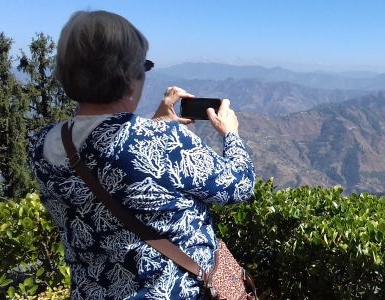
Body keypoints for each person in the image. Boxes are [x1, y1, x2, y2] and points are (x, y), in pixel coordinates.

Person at [28, 10, 255, 299]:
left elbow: (103, 155)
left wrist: (154, 123)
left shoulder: (40, 144)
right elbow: (240, 185)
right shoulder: (166, 142)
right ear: (128, 76)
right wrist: (230, 133)